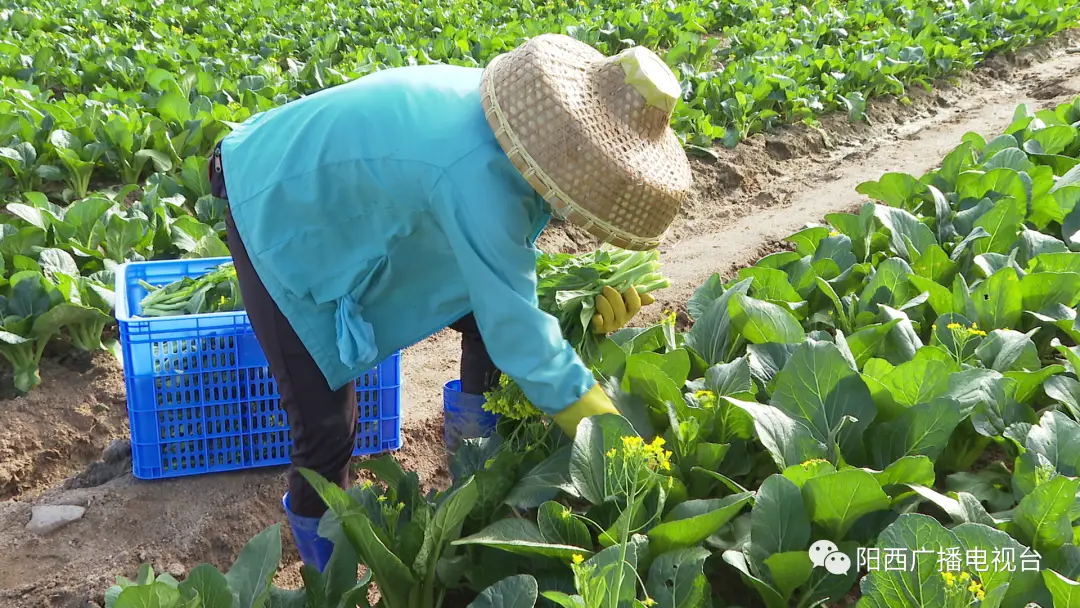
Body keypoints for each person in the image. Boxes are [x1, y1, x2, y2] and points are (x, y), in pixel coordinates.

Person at [208, 33, 692, 572]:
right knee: (324, 432)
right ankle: (331, 580)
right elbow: (522, 338)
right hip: (277, 205)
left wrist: (573, 308)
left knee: (490, 315)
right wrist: (619, 446)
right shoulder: (479, 173)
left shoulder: (510, 128)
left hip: (347, 202)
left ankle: (474, 467)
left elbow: (506, 284)